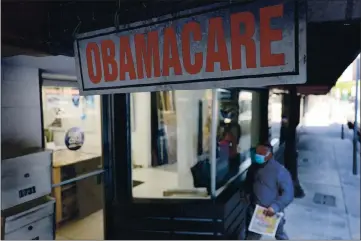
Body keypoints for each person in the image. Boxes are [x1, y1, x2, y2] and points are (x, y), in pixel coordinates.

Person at [244, 143, 294, 240]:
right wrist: (246, 194)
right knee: (251, 237)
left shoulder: (279, 170)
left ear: (269, 155)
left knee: (280, 235)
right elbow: (248, 184)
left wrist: (275, 207)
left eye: (262, 153)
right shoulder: (253, 168)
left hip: (272, 212)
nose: (258, 155)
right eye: (257, 152)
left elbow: (288, 193)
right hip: (255, 212)